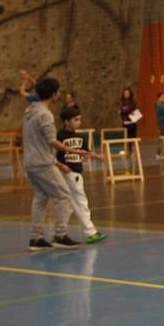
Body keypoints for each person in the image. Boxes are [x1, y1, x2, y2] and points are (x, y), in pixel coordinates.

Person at [24, 78, 88, 250]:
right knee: (64, 195)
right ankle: (60, 235)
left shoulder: (30, 110)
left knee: (41, 197)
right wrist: (75, 151)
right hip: (42, 163)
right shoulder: (45, 114)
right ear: (53, 94)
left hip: (29, 163)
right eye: (57, 92)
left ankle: (36, 238)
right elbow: (53, 141)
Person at [55, 106, 107, 244]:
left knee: (68, 205)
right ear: (66, 122)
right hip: (68, 173)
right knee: (81, 202)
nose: (79, 122)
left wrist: (97, 156)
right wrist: (61, 166)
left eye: (79, 119)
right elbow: (51, 156)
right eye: (76, 119)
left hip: (77, 172)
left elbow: (86, 152)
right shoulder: (59, 136)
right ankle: (91, 232)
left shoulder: (80, 137)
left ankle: (60, 233)